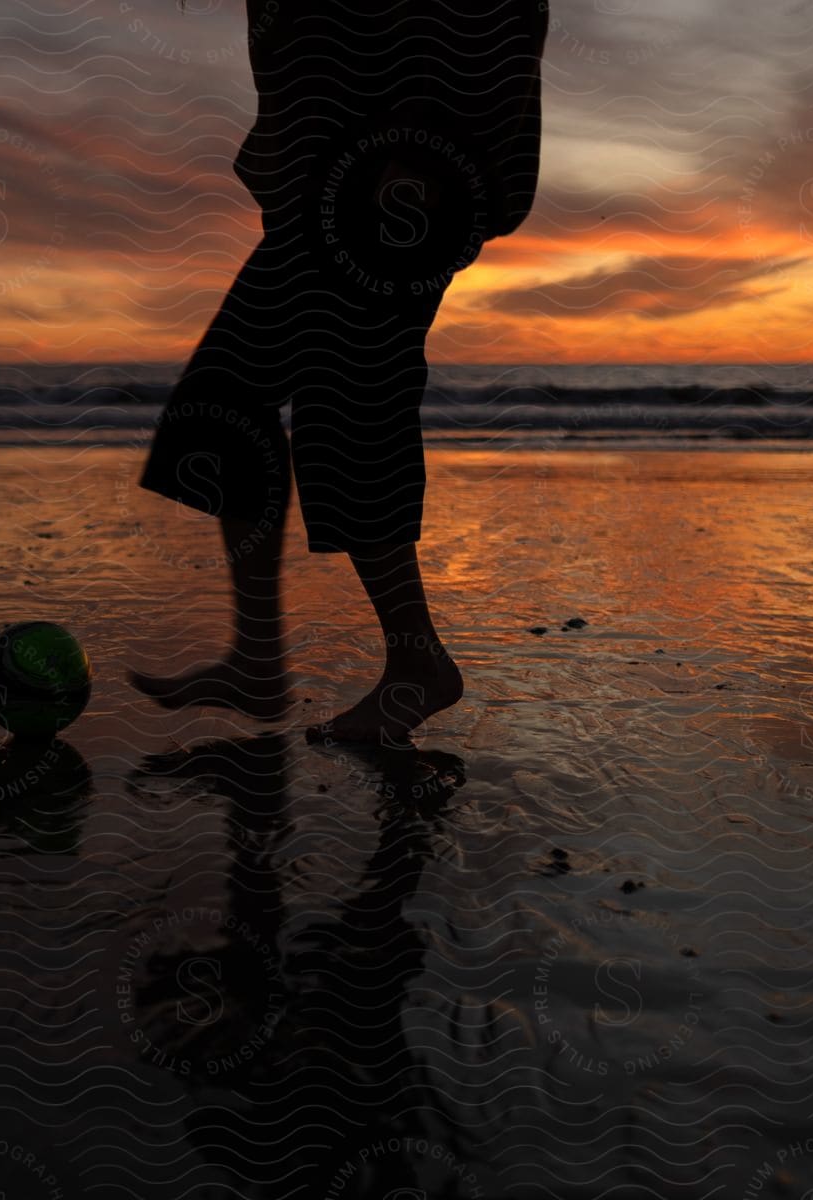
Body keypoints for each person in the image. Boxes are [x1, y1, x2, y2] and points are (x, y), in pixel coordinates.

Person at [130, 0, 548, 745]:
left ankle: (412, 664)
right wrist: (285, 137)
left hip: (397, 173)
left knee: (343, 407)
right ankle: (261, 658)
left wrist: (426, 153)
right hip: (338, 172)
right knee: (232, 402)